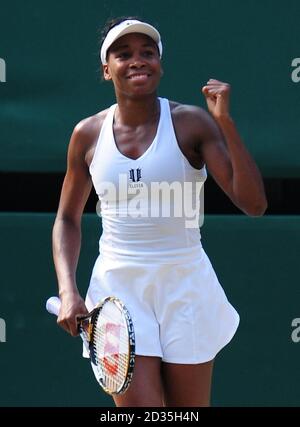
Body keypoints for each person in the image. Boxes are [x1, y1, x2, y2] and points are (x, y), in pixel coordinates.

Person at [52, 16, 267, 407]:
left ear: (160, 66)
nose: (137, 61)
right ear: (106, 69)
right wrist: (68, 290)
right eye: (124, 54)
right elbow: (67, 218)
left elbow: (253, 205)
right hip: (118, 288)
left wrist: (225, 123)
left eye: (147, 53)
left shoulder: (191, 123)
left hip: (185, 284)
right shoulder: (86, 134)